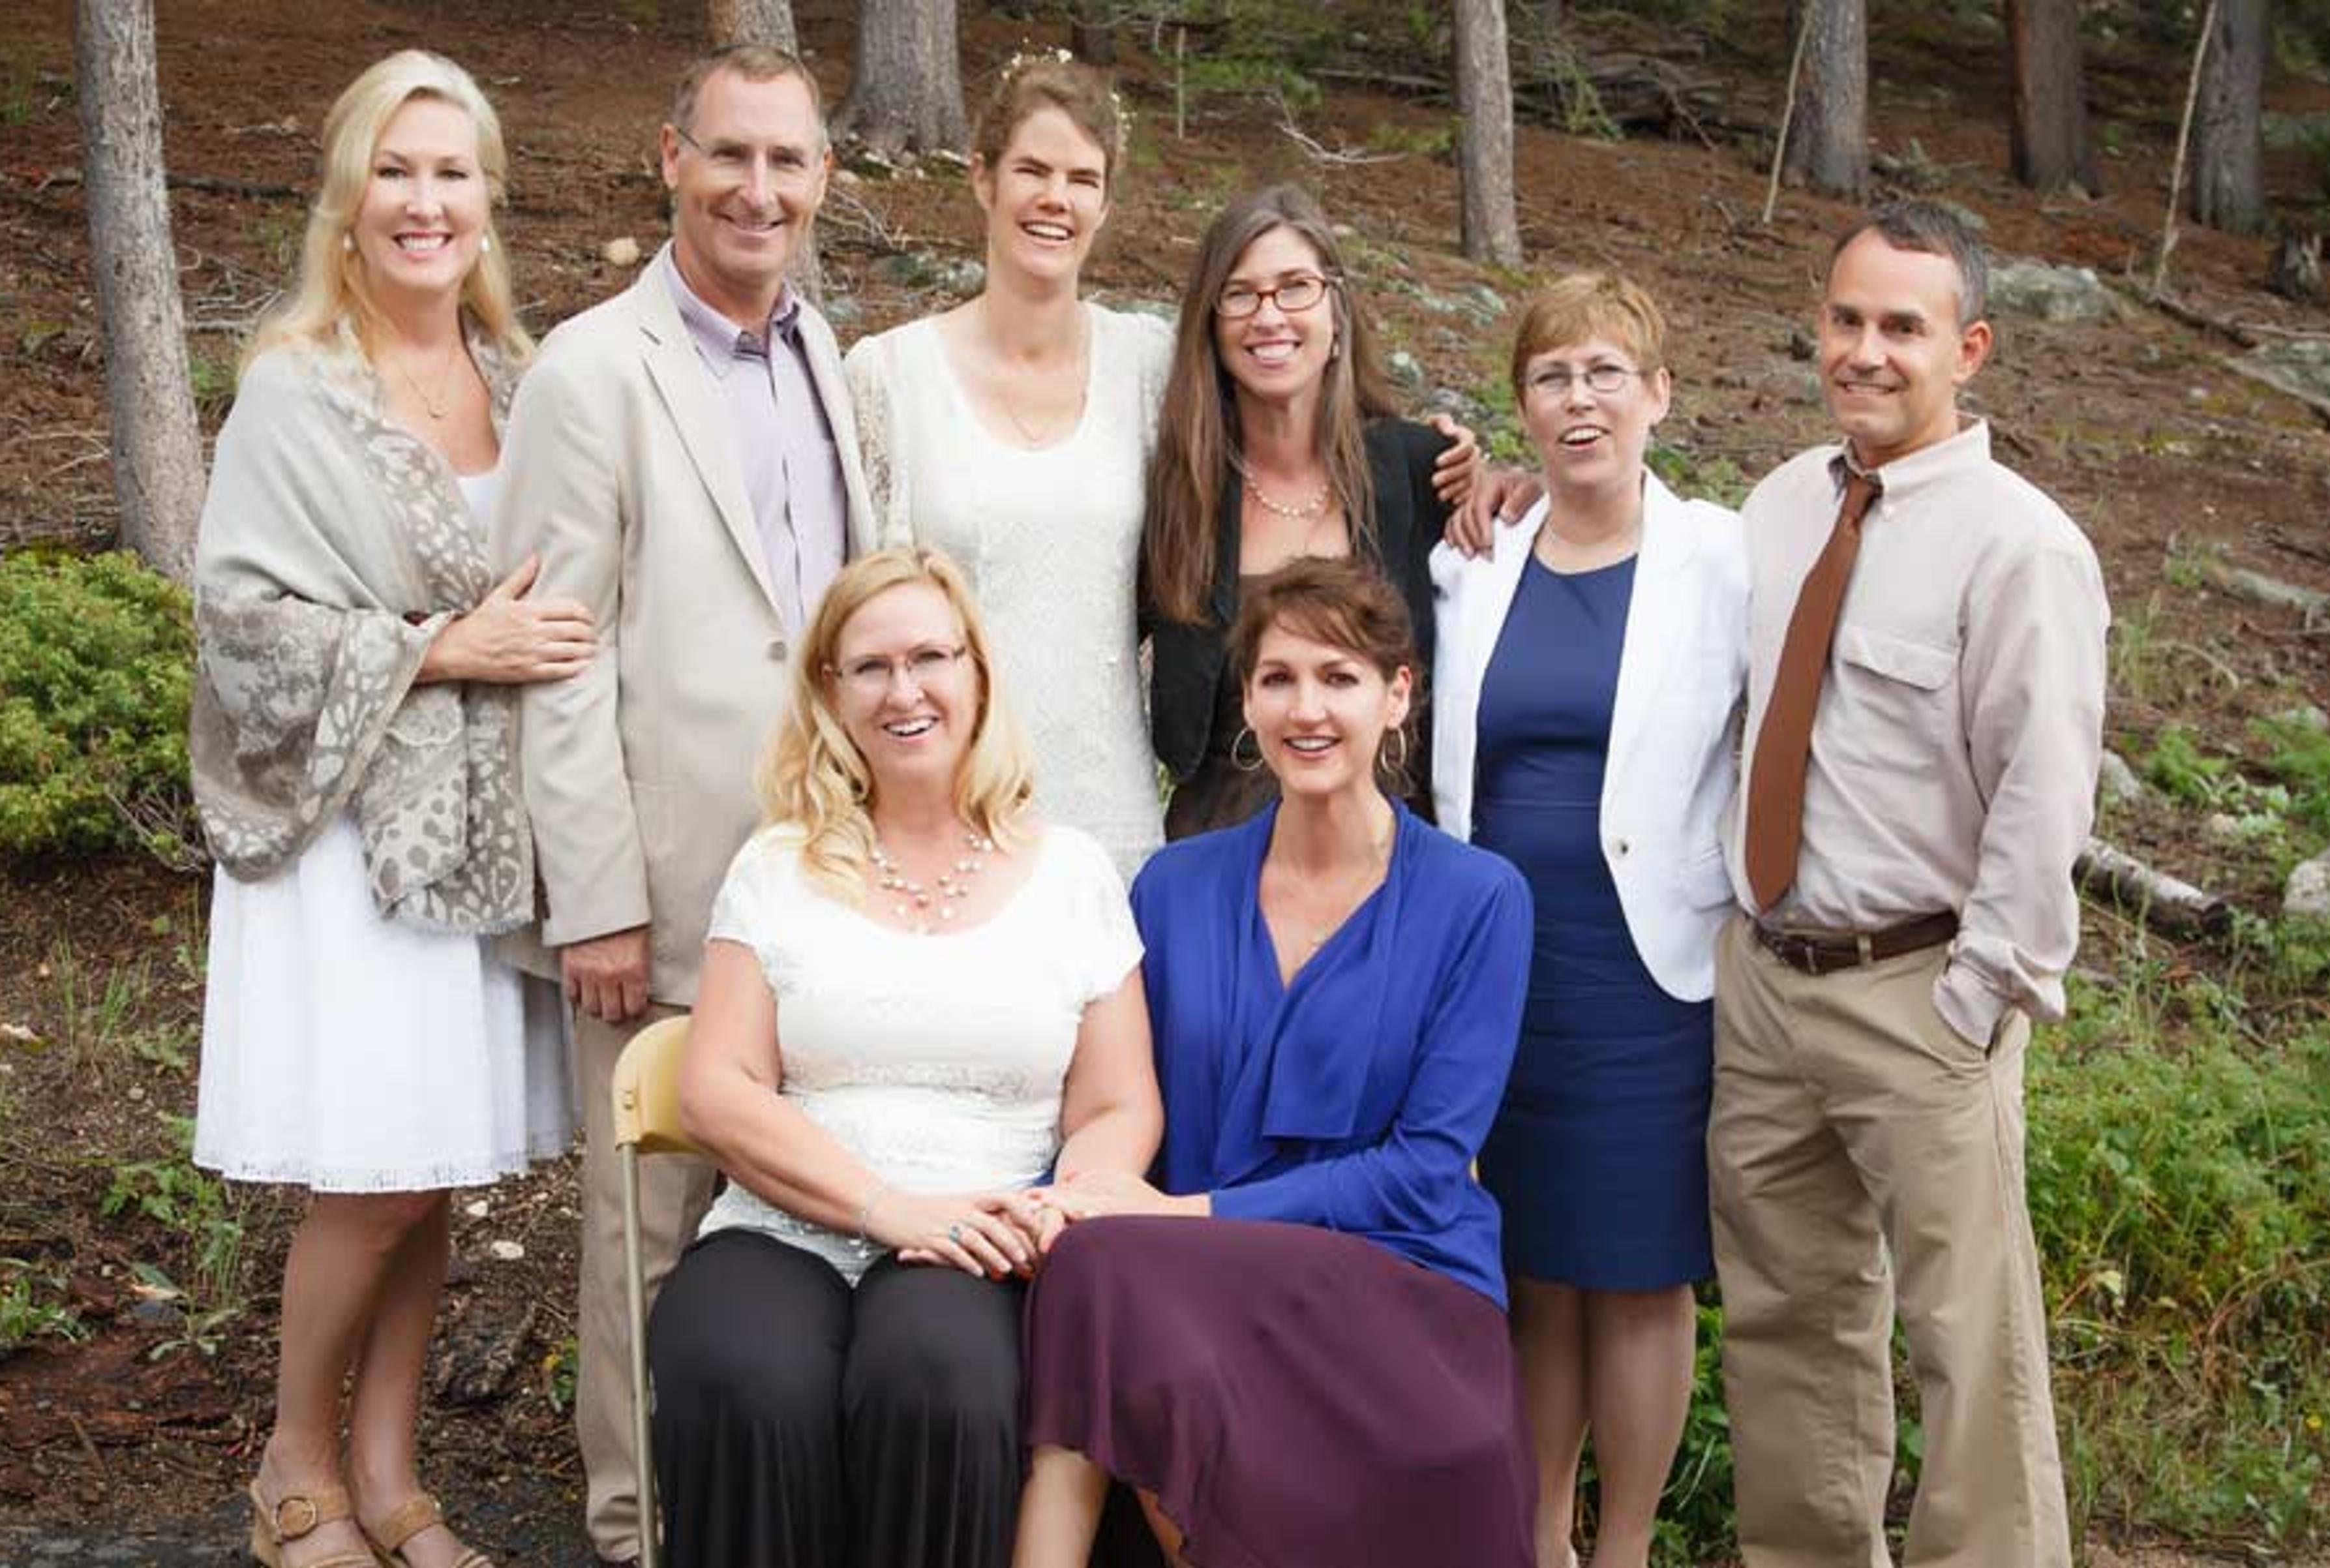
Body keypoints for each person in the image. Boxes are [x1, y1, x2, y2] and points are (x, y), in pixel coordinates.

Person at [190, 50, 581, 1568]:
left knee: (430, 1165)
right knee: (372, 1169)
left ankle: (392, 1474)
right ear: (347, 201)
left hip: (484, 835)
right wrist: (439, 645)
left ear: (490, 197)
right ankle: (292, 1464)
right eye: (395, 173)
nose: (425, 202)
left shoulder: (522, 381)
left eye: (452, 173)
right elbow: (238, 625)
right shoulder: (298, 388)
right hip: (349, 844)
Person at [491, 44, 877, 1568]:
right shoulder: (592, 370)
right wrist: (591, 892)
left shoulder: (825, 357)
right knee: (643, 1239)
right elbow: (555, 654)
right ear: (670, 157)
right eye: (729, 155)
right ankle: (638, 1525)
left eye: (786, 162)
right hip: (654, 891)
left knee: (793, 1220)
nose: (756, 189)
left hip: (821, 883)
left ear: (823, 180)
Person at [1714, 200, 2108, 1568]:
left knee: (1970, 1342)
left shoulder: (2022, 546)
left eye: (1903, 327)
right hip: (1764, 985)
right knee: (1787, 1320)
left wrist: (1977, 997)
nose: (1865, 352)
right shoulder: (1775, 507)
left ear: (1971, 347)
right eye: (1846, 319)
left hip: (1919, 997)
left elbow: (2044, 795)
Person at [1012, 558, 1539, 1568]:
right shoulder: (1173, 886)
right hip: (1187, 1277)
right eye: (1279, 678)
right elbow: (1123, 1100)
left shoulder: (1480, 900)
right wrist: (1047, 1198)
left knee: (1110, 1268)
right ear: (1246, 701)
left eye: (1339, 678)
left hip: (1402, 1274)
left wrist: (1178, 1218)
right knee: (1092, 1265)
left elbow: (1427, 1170)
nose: (1308, 709)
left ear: (1398, 696)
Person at [646, 547, 1162, 1568]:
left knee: (935, 1378)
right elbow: (715, 1086)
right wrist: (887, 1210)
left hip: (986, 1233)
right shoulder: (777, 865)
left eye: (932, 656)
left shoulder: (1072, 873)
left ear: (978, 672)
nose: (905, 690)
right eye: (870, 666)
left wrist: (1063, 1204)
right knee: (738, 1372)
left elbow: (1119, 1104)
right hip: (780, 1223)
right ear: (829, 693)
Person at [1427, 272, 1747, 1568]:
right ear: (1523, 406)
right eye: (1554, 376)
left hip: (1645, 969)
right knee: (1534, 1264)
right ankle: (1535, 1538)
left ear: (1658, 395)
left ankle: (1623, 1546)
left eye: (1608, 371)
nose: (1581, 399)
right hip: (1502, 966)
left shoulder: (1722, 557)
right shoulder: (1476, 558)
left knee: (1637, 1269)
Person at [843, 55, 1168, 869]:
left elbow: (1282, 452)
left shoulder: (1149, 365)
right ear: (983, 179)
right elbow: (852, 612)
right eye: (1032, 169)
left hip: (1111, 814)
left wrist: (1449, 464)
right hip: (946, 813)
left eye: (1082, 179)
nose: (1056, 198)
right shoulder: (888, 376)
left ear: (1105, 201)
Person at [1143, 185, 1477, 837]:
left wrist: (1508, 485)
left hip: (1386, 849)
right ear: (1210, 327)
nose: (1269, 316)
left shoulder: (1422, 469)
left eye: (1296, 286)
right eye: (1240, 294)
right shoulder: (1176, 492)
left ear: (1336, 314)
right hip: (1218, 850)